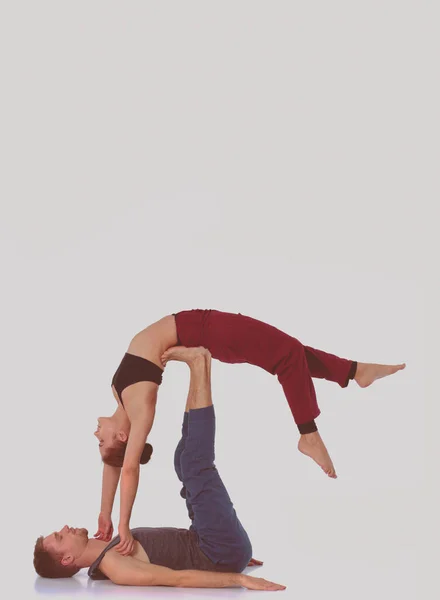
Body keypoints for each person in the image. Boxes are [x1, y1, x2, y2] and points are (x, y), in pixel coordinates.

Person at [95, 309, 405, 555]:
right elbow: (129, 467)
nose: (96, 436)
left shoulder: (119, 394)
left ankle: (354, 372)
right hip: (205, 330)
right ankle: (308, 434)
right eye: (101, 442)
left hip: (201, 325)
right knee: (286, 353)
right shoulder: (141, 407)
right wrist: (124, 524)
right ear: (122, 437)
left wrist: (104, 513)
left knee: (289, 352)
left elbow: (114, 464)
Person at [34, 347, 286, 592]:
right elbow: (178, 579)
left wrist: (236, 553)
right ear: (67, 559)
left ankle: (199, 367)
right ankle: (199, 363)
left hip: (215, 544)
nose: (65, 528)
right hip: (217, 550)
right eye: (59, 537)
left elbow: (113, 464)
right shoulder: (115, 566)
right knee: (194, 464)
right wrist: (237, 577)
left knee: (183, 460)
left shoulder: (109, 549)